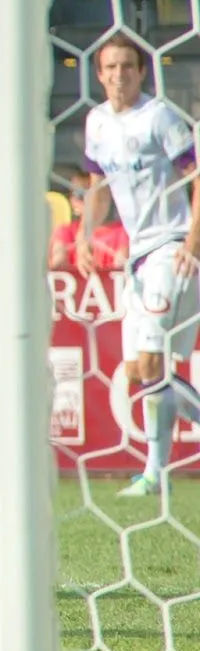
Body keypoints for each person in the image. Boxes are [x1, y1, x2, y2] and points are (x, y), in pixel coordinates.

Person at [79, 33, 200, 498]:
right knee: (137, 371)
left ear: (142, 72)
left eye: (127, 67)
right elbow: (97, 182)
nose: (118, 76)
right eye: (110, 68)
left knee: (152, 362)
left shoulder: (160, 118)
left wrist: (192, 240)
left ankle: (153, 476)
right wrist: (87, 236)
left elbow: (196, 177)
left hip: (171, 247)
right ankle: (155, 474)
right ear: (99, 73)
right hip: (137, 256)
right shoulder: (96, 122)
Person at [50, 168, 129, 272]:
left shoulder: (123, 232)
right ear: (72, 201)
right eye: (80, 195)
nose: (89, 200)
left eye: (93, 194)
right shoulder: (65, 231)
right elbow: (58, 265)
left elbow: (122, 267)